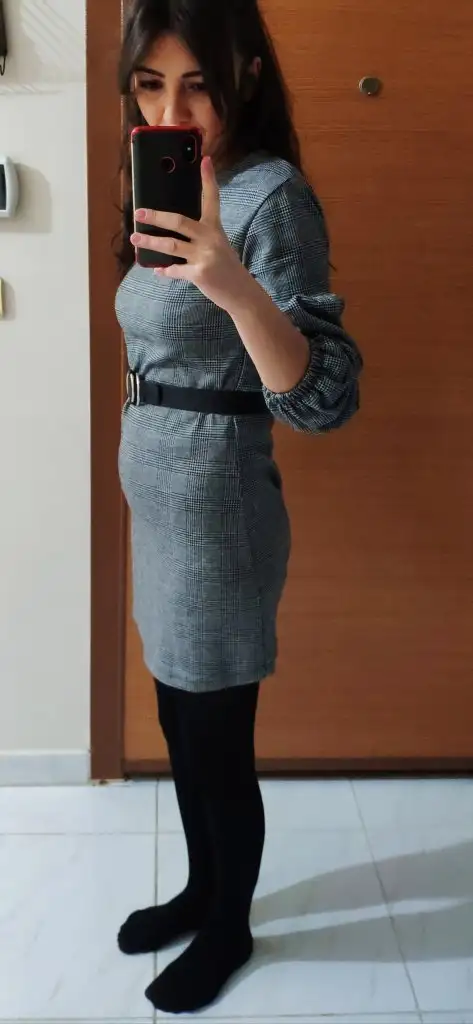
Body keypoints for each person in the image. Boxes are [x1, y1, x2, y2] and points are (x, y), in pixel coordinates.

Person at [115, 0, 362, 1014]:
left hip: (218, 507)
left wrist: (233, 285)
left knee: (217, 741)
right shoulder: (161, 182)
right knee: (177, 718)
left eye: (197, 85)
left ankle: (228, 925)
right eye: (149, 85)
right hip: (158, 496)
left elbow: (324, 396)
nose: (171, 112)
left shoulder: (269, 199)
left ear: (245, 76)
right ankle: (198, 888)